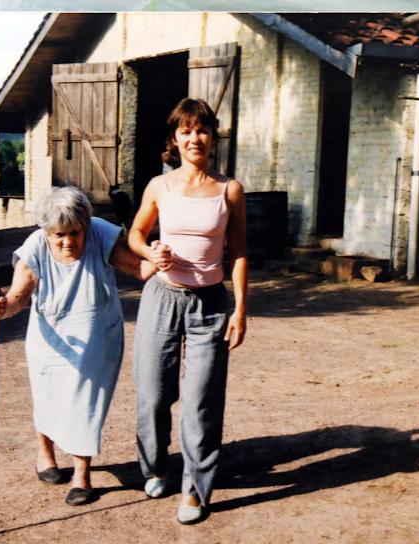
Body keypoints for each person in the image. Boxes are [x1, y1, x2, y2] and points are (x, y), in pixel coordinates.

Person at [0, 186, 156, 506]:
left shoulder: (101, 233)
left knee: (85, 405)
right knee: (48, 397)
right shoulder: (35, 246)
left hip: (97, 333)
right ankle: (45, 453)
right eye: (59, 234)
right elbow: (18, 297)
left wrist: (158, 259)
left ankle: (81, 474)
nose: (68, 241)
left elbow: (137, 267)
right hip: (49, 335)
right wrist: (0, 307)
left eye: (75, 232)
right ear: (46, 231)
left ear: (86, 225)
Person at [127, 97, 248, 525]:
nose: (194, 138)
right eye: (186, 131)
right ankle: (155, 466)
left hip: (210, 306)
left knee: (201, 402)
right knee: (154, 393)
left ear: (212, 137)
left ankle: (195, 490)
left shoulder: (229, 189)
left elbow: (238, 253)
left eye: (201, 130)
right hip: (161, 299)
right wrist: (151, 251)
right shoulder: (159, 187)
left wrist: (240, 310)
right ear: (174, 140)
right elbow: (136, 235)